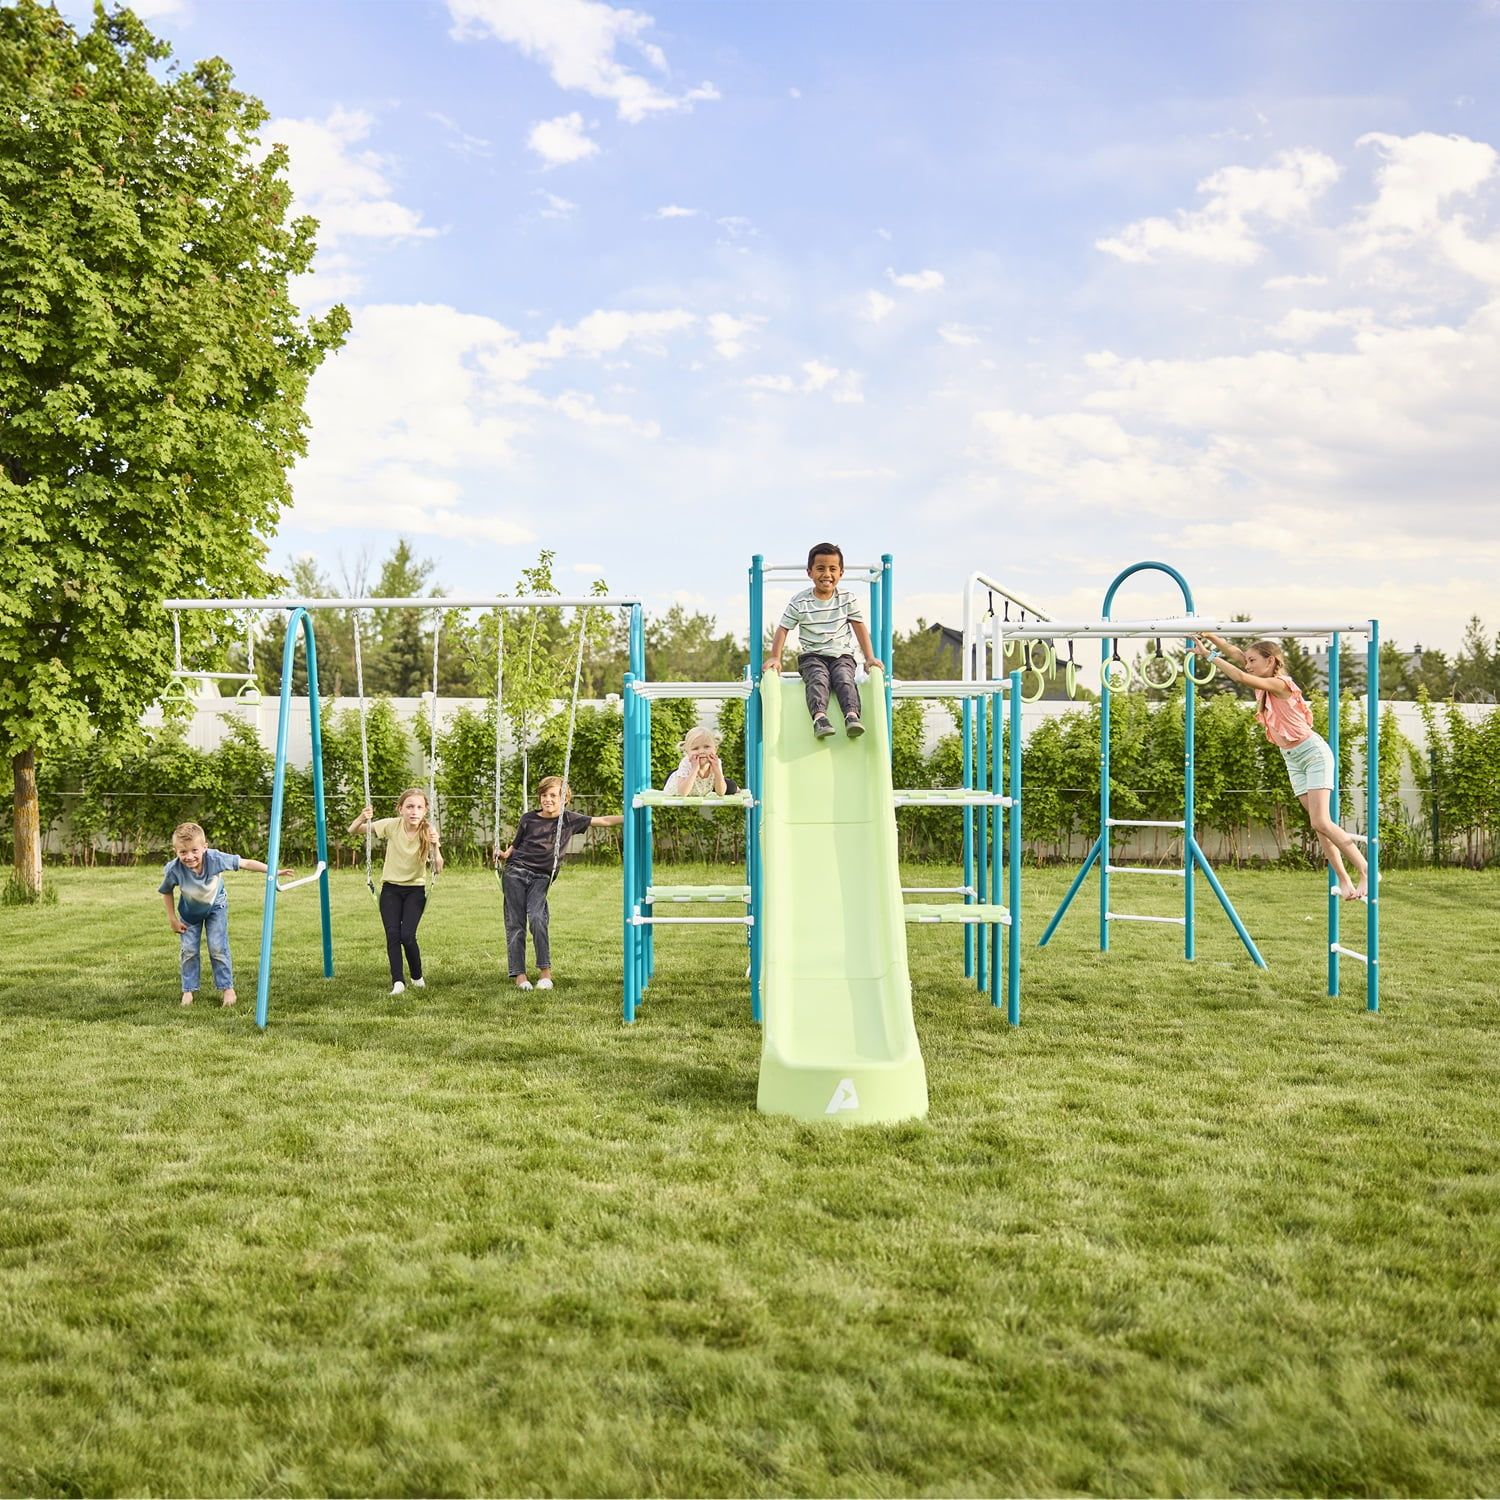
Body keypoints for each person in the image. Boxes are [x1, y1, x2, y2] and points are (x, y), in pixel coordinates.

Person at [1194, 633, 1370, 900]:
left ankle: (1367, 870)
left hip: (1312, 753)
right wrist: (1211, 637)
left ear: (1271, 661)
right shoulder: (1262, 675)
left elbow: (1240, 677)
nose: (1248, 664)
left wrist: (1209, 656)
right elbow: (1236, 653)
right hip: (1292, 758)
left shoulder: (1279, 683)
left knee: (1321, 820)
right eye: (1248, 660)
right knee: (1319, 825)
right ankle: (1345, 881)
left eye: (1253, 660)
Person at [496, 775, 623, 992]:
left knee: (537, 918)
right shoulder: (528, 818)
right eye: (544, 795)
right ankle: (520, 975)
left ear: (564, 798)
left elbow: (602, 821)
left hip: (542, 876)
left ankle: (545, 973)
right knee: (516, 924)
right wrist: (502, 854)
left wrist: (629, 815)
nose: (547, 799)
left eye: (553, 795)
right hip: (515, 872)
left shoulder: (569, 819)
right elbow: (514, 847)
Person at [159, 821, 286, 1008]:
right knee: (189, 951)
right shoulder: (174, 869)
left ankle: (227, 988)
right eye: (183, 852)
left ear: (205, 847)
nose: (190, 856)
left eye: (195, 850)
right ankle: (188, 990)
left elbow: (244, 862)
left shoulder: (215, 858)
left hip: (215, 908)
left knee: (217, 947)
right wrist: (172, 919)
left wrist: (272, 870)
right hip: (189, 913)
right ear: (175, 851)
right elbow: (166, 891)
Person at [766, 541, 883, 738]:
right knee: (818, 679)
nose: (826, 574)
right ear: (809, 572)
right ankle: (820, 718)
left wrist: (870, 658)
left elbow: (859, 628)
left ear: (841, 573)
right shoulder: (800, 601)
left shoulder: (847, 598)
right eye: (820, 568)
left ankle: (852, 716)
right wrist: (775, 658)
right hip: (812, 656)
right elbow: (783, 629)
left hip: (842, 655)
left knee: (845, 678)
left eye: (832, 569)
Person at [350, 788, 443, 996]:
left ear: (425, 810)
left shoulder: (428, 831)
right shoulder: (392, 825)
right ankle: (398, 982)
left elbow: (438, 867)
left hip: (415, 890)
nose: (414, 811)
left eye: (419, 807)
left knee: (407, 935)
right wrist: (361, 817)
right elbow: (353, 830)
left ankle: (417, 976)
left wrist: (436, 847)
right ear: (400, 809)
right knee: (393, 935)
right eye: (409, 806)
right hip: (391, 889)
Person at [663, 725, 740, 796]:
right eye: (695, 748)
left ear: (715, 749)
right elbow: (683, 793)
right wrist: (694, 769)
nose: (701, 751)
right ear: (687, 752)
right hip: (680, 783)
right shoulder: (686, 763)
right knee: (676, 775)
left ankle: (737, 788)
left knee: (730, 787)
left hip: (703, 786)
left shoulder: (716, 762)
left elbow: (720, 793)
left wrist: (717, 771)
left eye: (706, 747)